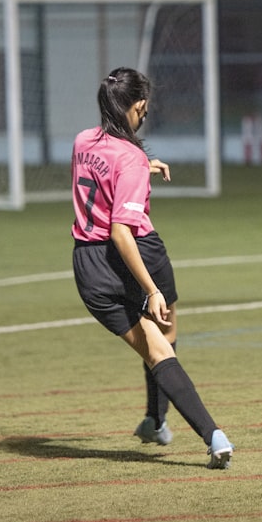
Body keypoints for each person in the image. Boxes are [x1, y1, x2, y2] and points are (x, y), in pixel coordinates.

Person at [70, 66, 234, 468]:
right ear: (138, 105)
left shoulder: (82, 141)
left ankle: (157, 422)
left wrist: (145, 159)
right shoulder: (131, 161)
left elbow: (110, 158)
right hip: (137, 253)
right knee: (164, 339)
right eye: (144, 108)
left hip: (89, 267)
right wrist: (153, 289)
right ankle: (209, 435)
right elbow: (122, 232)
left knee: (155, 345)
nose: (146, 114)